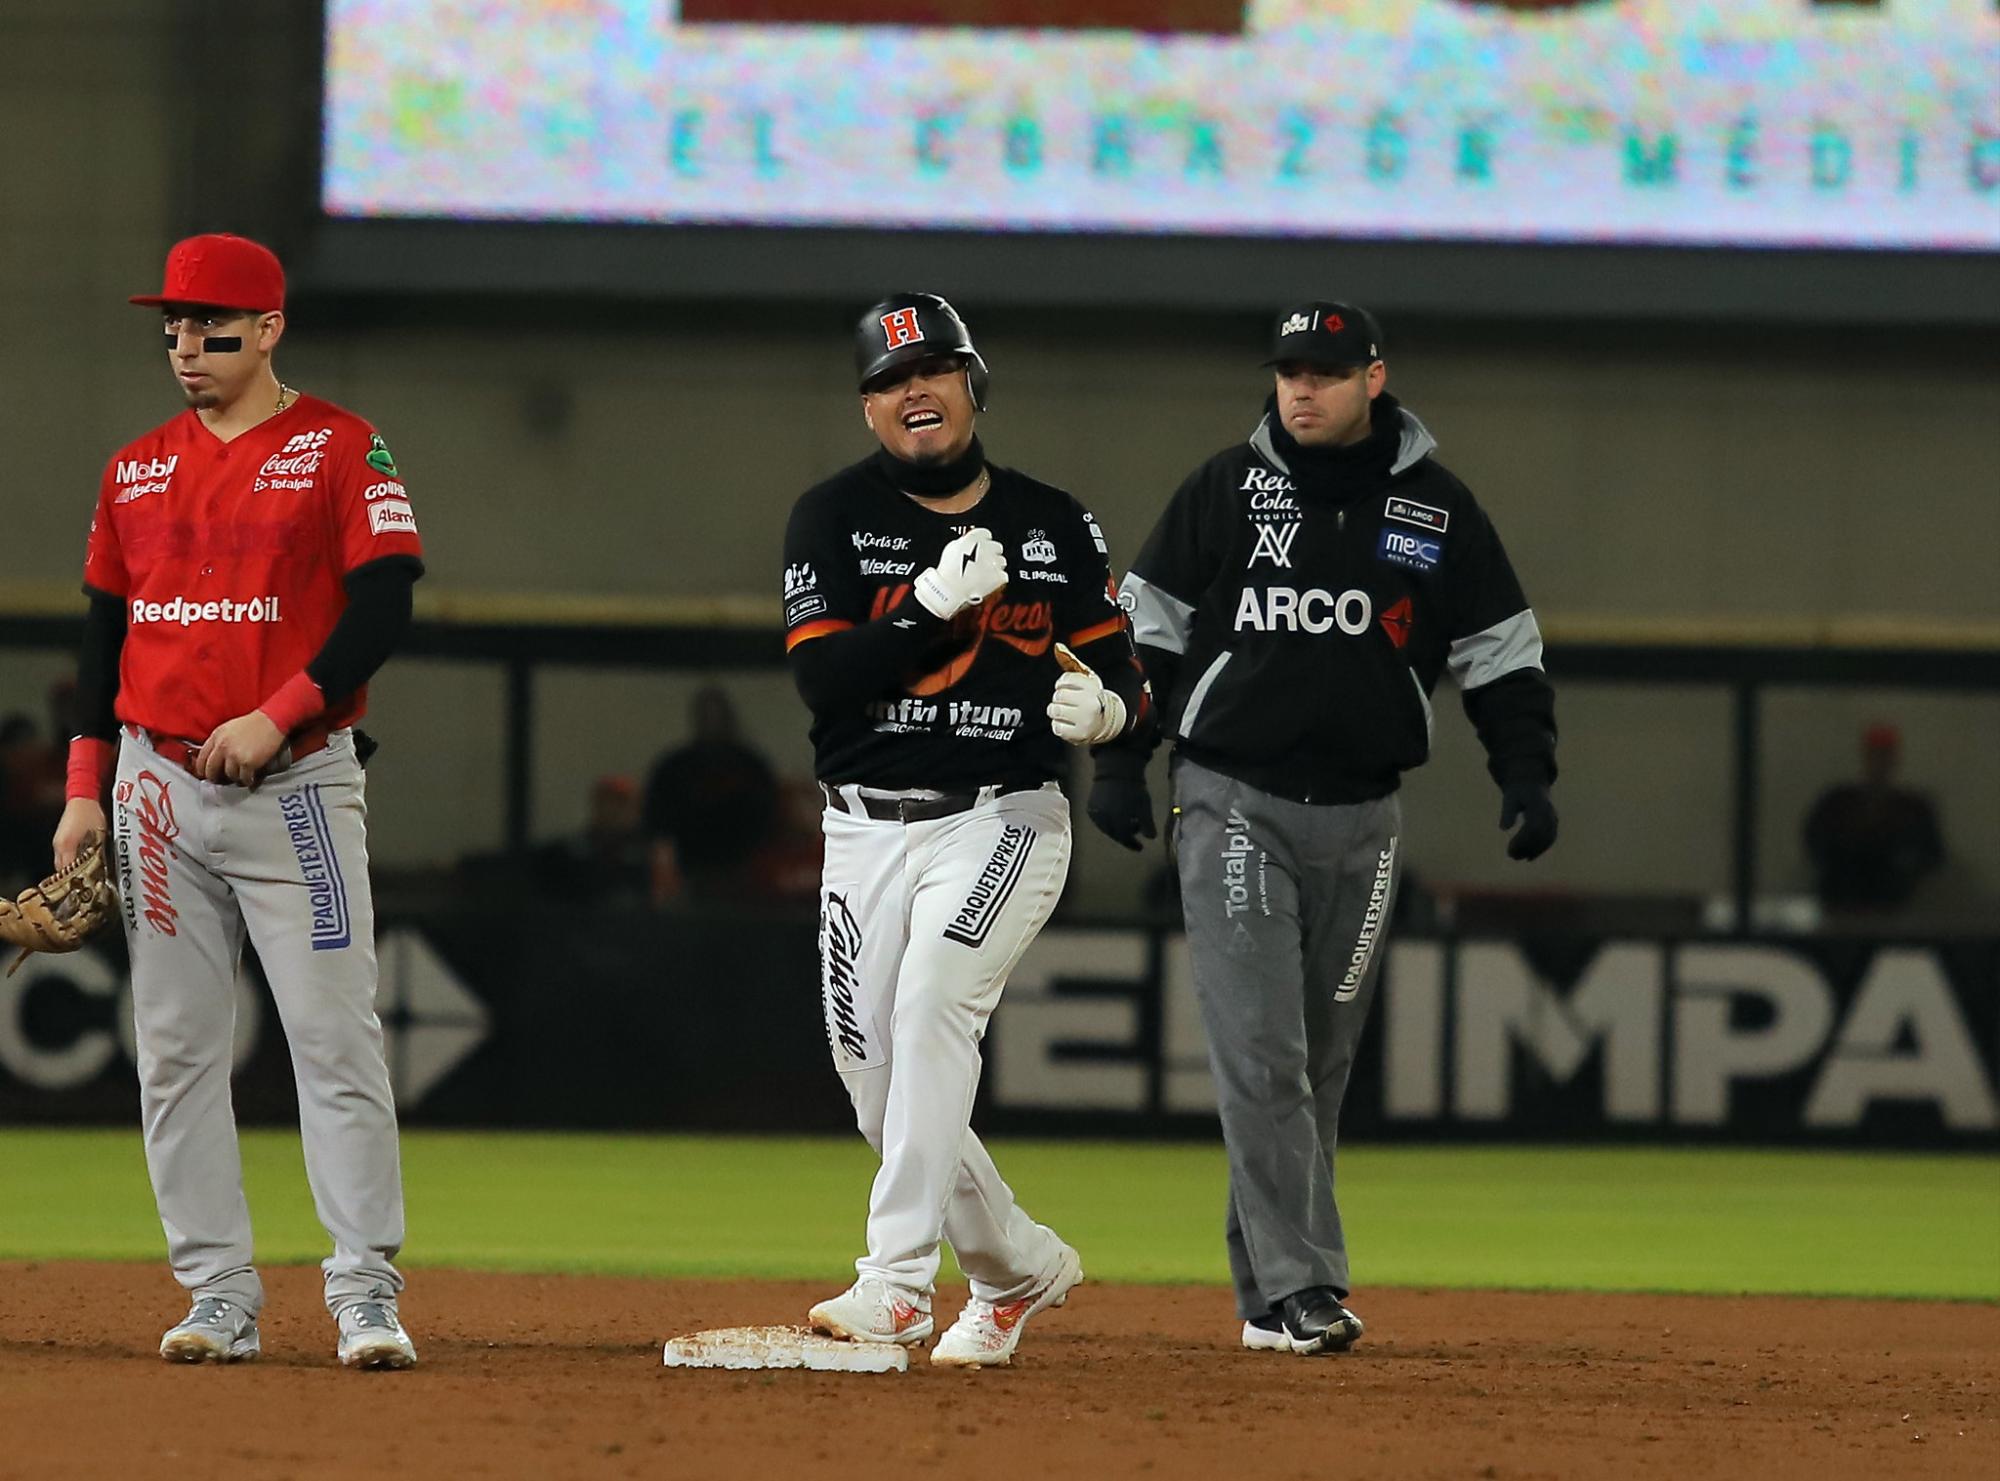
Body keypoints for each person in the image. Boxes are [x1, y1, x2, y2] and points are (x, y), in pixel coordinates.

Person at [1090, 301, 1558, 1355]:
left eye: (1324, 372)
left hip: (1364, 818)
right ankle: (1309, 1286)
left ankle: (1265, 1298)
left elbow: (1499, 645)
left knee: (1313, 1065)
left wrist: (1523, 770)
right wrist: (1120, 756)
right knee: (1261, 1051)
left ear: (1372, 379)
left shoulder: (1433, 509)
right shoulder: (1224, 488)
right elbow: (1144, 624)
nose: (1300, 389)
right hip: (1231, 798)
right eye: (1288, 371)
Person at [52, 233, 424, 1369]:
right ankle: (217, 1292)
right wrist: (84, 788)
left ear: (269, 330)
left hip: (296, 780)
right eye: (172, 325)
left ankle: (365, 1289)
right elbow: (101, 635)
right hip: (155, 785)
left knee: (331, 1037)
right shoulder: (134, 466)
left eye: (212, 325)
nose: (187, 344)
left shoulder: (340, 446)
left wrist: (285, 706)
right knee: (171, 1047)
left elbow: (388, 597)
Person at [781, 292, 1148, 1367]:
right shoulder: (830, 516)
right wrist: (924, 609)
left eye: (933, 370)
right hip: (861, 829)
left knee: (937, 997)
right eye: (891, 380)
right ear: (867, 408)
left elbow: (1121, 662)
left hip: (1002, 816)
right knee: (872, 1081)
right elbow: (821, 680)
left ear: (971, 384)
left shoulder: (1051, 520)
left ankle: (894, 1283)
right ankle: (1013, 1263)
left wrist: (1118, 712)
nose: (914, 391)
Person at [641, 685, 779, 903]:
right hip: (688, 871)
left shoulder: (750, 767)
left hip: (746, 873)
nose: (711, 721)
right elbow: (658, 821)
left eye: (716, 714)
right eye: (705, 714)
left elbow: (769, 817)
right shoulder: (675, 768)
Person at [1803, 723, 1944, 911]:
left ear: (1894, 759)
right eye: (1874, 754)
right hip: (1840, 901)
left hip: (1892, 903)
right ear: (1865, 756)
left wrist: (1904, 869)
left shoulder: (1914, 809)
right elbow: (1814, 841)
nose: (1879, 762)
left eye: (1884, 755)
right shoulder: (1837, 803)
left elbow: (1932, 854)